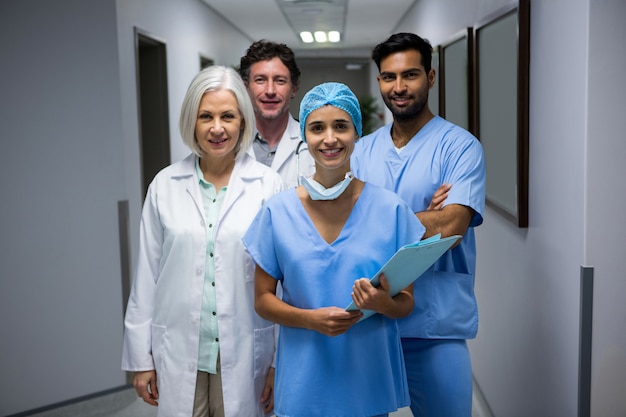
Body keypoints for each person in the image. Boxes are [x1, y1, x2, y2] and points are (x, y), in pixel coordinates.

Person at [243, 82, 427, 417]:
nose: (329, 139)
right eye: (317, 128)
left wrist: (383, 303)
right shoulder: (277, 212)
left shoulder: (391, 210)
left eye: (341, 126)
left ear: (357, 133)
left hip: (366, 380)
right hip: (304, 382)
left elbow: (406, 304)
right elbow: (263, 301)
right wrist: (309, 319)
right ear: (304, 137)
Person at [121, 66, 284, 417]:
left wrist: (277, 361)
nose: (217, 128)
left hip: (244, 346)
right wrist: (140, 358)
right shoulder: (164, 185)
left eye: (228, 116)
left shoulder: (268, 186)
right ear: (191, 122)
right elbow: (146, 276)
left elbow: (283, 283)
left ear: (242, 121)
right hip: (181, 347)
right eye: (205, 116)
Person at [350, 33, 487, 417]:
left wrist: (373, 219)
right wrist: (421, 217)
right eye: (389, 77)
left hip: (435, 325)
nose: (399, 87)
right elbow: (342, 229)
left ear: (431, 76)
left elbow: (453, 226)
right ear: (379, 82)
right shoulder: (362, 152)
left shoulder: (459, 147)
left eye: (410, 75)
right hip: (370, 322)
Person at [239, 39, 315, 187]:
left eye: (280, 81)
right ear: (246, 87)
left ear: (294, 89)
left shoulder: (312, 144)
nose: (270, 91)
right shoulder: (230, 144)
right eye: (260, 80)